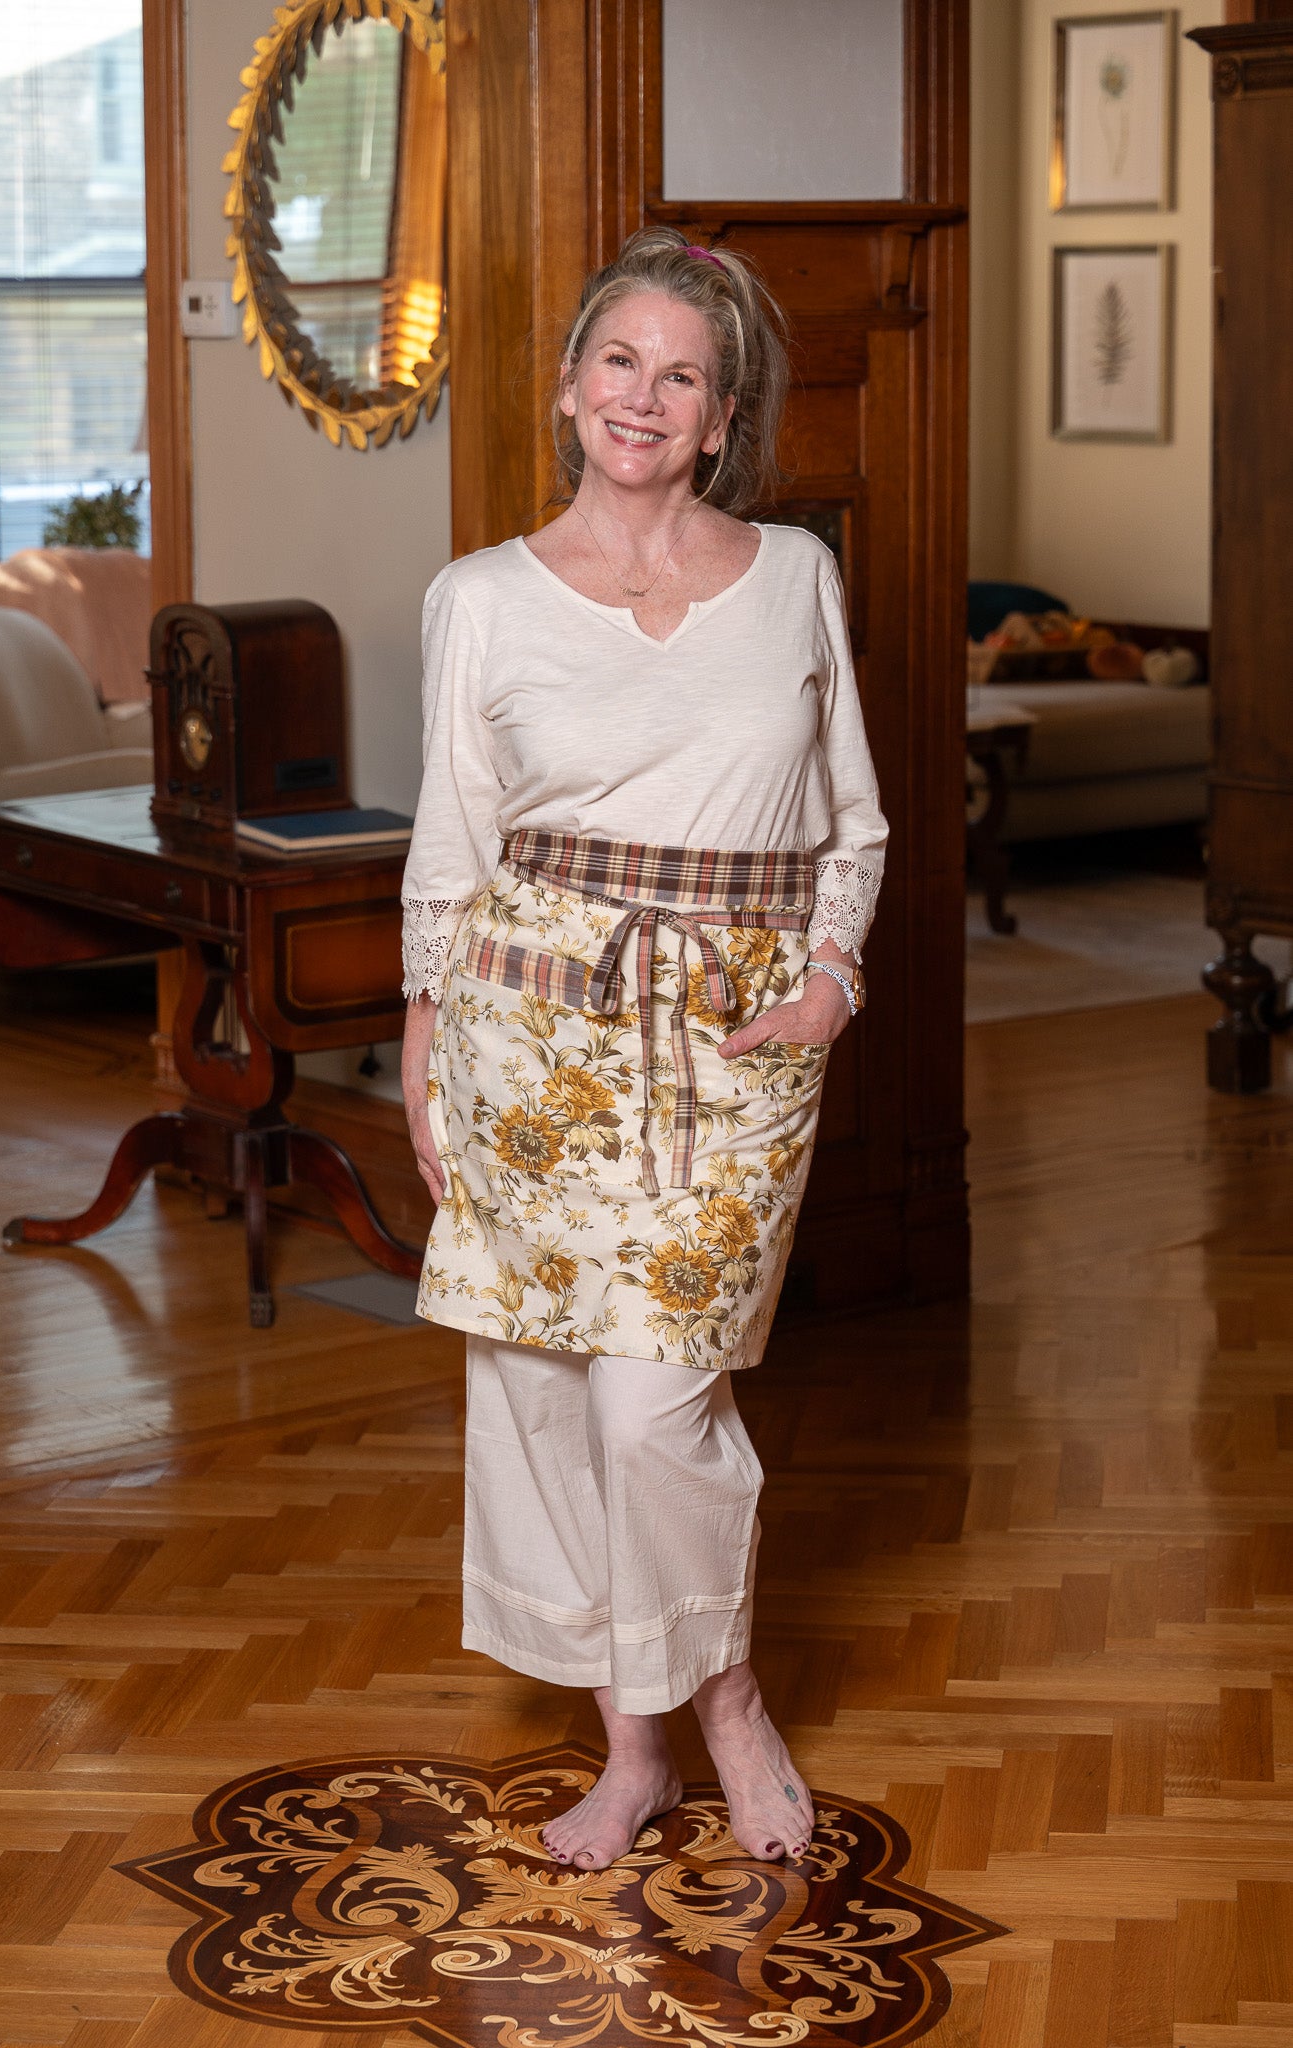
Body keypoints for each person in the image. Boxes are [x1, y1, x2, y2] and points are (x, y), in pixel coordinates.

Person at [399, 226, 887, 1873]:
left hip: (730, 1044)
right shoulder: (478, 600)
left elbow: (857, 824)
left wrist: (830, 981)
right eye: (621, 360)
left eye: (682, 373)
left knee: (652, 1411)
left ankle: (728, 1698)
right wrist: (419, 1038)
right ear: (567, 385)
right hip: (524, 1034)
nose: (645, 395)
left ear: (720, 410)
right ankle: (634, 1752)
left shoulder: (799, 577)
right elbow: (453, 847)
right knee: (544, 1395)